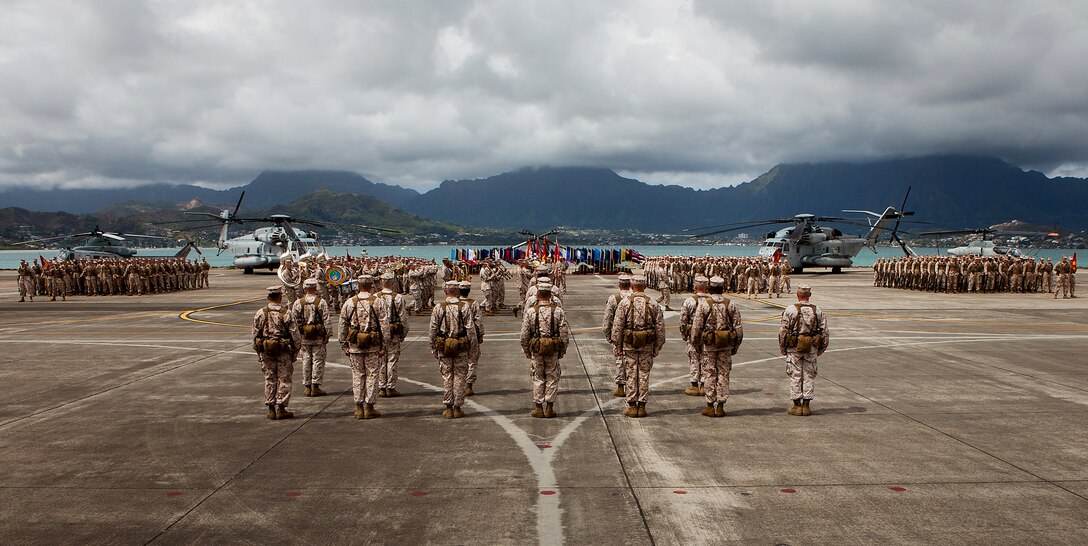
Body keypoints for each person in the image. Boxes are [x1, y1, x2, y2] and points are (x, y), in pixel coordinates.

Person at [610, 275, 665, 417]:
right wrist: (657, 346)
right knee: (644, 375)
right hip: (647, 345)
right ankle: (642, 406)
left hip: (629, 345)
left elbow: (617, 326)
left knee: (631, 374)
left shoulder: (625, 303)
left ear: (632, 286)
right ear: (645, 286)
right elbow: (660, 327)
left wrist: (617, 345)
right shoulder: (653, 303)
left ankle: (632, 405)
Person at [690, 276, 743, 417]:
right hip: (725, 346)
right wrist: (735, 346)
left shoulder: (704, 305)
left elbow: (696, 328)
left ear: (710, 288)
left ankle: (709, 406)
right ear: (722, 288)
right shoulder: (730, 304)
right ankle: (720, 406)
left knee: (709, 373)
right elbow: (738, 329)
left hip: (709, 346)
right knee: (723, 374)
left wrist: (696, 345)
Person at [338, 275, 386, 419]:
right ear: (371, 285)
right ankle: (369, 407)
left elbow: (342, 326)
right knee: (372, 375)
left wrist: (344, 345)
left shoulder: (349, 303)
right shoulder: (377, 302)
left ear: (358, 286)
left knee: (358, 375)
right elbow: (384, 326)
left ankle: (359, 408)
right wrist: (384, 345)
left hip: (355, 346)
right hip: (372, 345)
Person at [429, 280, 479, 418]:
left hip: (444, 347)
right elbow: (471, 330)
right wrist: (473, 349)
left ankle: (448, 406)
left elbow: (432, 330)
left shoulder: (439, 307)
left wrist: (434, 348)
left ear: (445, 291)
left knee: (447, 377)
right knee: (460, 376)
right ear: (457, 292)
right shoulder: (464, 307)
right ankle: (457, 407)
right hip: (460, 347)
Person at [778, 284, 829, 416]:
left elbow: (783, 331)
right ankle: (806, 406)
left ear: (797, 294)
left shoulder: (790, 310)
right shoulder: (817, 310)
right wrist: (822, 348)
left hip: (794, 347)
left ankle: (796, 405)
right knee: (809, 375)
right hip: (811, 346)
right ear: (809, 295)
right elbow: (825, 331)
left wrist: (782, 347)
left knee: (795, 375)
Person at [252, 286, 302, 420]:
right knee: (284, 379)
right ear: (280, 296)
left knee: (269, 379)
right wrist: (296, 351)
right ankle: (281, 408)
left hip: (266, 350)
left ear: (268, 297)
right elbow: (295, 335)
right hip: (283, 351)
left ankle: (271, 409)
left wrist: (258, 353)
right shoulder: (287, 313)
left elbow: (255, 334)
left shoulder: (260, 313)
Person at [520, 282, 569, 418]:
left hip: (536, 349)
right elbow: (564, 333)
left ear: (536, 295)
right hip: (553, 349)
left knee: (538, 377)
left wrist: (526, 349)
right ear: (551, 295)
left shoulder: (531, 312)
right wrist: (563, 349)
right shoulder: (558, 311)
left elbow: (524, 333)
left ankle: (538, 407)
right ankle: (550, 407)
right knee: (552, 376)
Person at [291, 278, 330, 397]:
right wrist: (327, 335)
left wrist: (296, 337)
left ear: (304, 288)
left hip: (304, 336)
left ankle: (307, 386)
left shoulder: (298, 303)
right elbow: (326, 320)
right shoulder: (321, 302)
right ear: (315, 288)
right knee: (318, 360)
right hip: (318, 336)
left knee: (306, 360)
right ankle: (315, 385)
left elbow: (293, 321)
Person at [679, 276, 712, 396]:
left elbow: (682, 320)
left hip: (692, 334)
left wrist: (684, 334)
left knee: (694, 358)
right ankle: (703, 385)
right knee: (706, 359)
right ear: (706, 287)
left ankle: (694, 385)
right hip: (708, 335)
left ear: (695, 286)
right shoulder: (711, 301)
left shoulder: (689, 301)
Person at [377, 272, 409, 398]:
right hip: (394, 333)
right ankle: (390, 387)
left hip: (379, 334)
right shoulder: (398, 298)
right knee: (392, 360)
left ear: (381, 283)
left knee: (381, 361)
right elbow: (403, 318)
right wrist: (403, 334)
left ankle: (381, 387)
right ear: (393, 283)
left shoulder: (375, 297)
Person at [602, 275, 632, 397]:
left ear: (619, 285)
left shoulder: (614, 298)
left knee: (620, 359)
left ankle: (621, 387)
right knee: (633, 361)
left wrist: (608, 335)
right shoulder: (634, 297)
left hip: (619, 334)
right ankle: (633, 386)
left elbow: (607, 319)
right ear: (630, 285)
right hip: (632, 334)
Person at [457, 280, 485, 396]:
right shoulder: (473, 303)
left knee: (458, 362)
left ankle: (459, 384)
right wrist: (480, 335)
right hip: (471, 335)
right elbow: (478, 321)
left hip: (457, 337)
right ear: (469, 291)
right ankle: (469, 385)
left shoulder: (454, 304)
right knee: (472, 360)